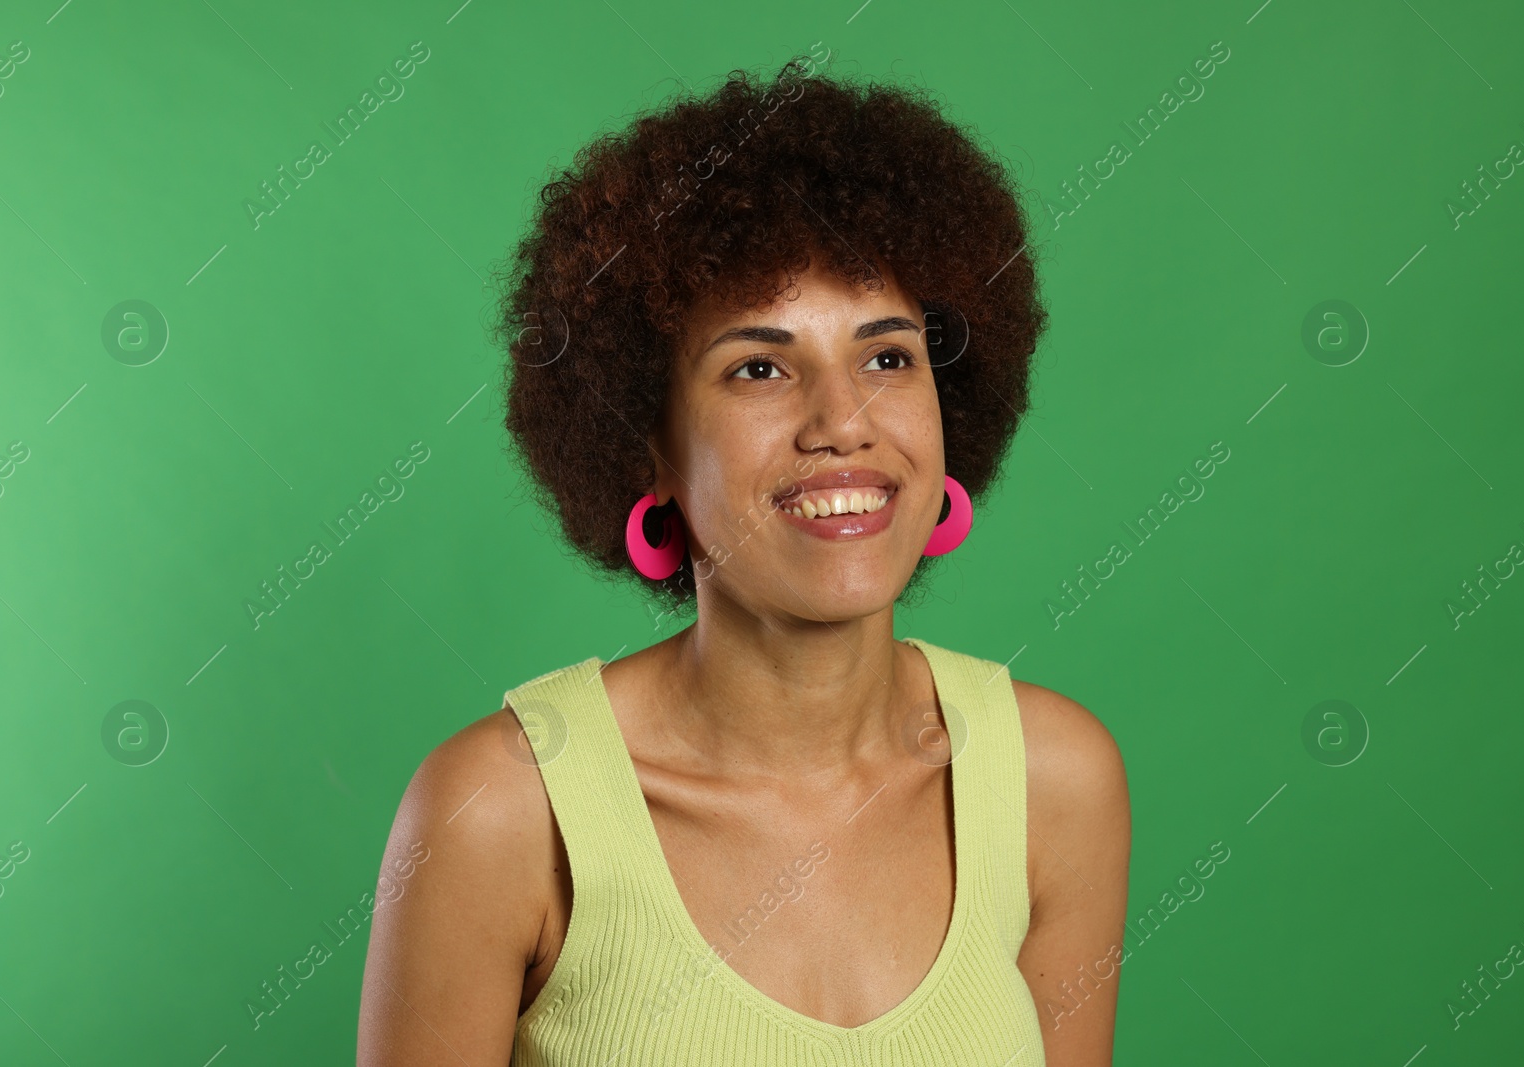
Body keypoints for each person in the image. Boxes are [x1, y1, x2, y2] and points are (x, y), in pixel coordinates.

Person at [357, 56, 1129, 1066]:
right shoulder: (498, 811)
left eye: (887, 355)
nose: (841, 422)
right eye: (759, 367)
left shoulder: (1053, 778)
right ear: (649, 444)